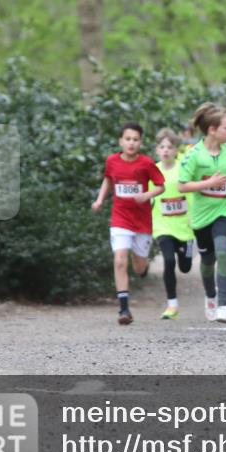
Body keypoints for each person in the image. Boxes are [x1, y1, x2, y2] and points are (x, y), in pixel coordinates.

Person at [91, 121, 166, 326]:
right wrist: (99, 200)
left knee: (138, 266)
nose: (131, 143)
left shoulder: (146, 163)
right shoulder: (112, 161)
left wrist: (146, 195)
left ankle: (142, 267)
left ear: (140, 142)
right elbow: (108, 180)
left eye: (135, 139)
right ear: (120, 141)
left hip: (142, 221)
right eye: (128, 139)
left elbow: (161, 186)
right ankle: (124, 309)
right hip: (120, 218)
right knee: (119, 260)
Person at [178, 102, 226, 324]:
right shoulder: (194, 155)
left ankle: (223, 306)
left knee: (223, 251)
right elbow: (182, 186)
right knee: (208, 260)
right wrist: (209, 183)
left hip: (225, 209)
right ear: (212, 130)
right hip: (202, 216)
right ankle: (210, 296)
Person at [150, 128, 195, 320]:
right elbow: (148, 196)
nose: (166, 150)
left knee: (185, 267)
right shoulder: (152, 171)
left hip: (184, 226)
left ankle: (187, 249)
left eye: (170, 147)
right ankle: (172, 305)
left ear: (176, 150)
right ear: (157, 150)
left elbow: (191, 193)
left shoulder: (183, 169)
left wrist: (194, 217)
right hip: (162, 226)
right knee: (169, 261)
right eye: (162, 147)